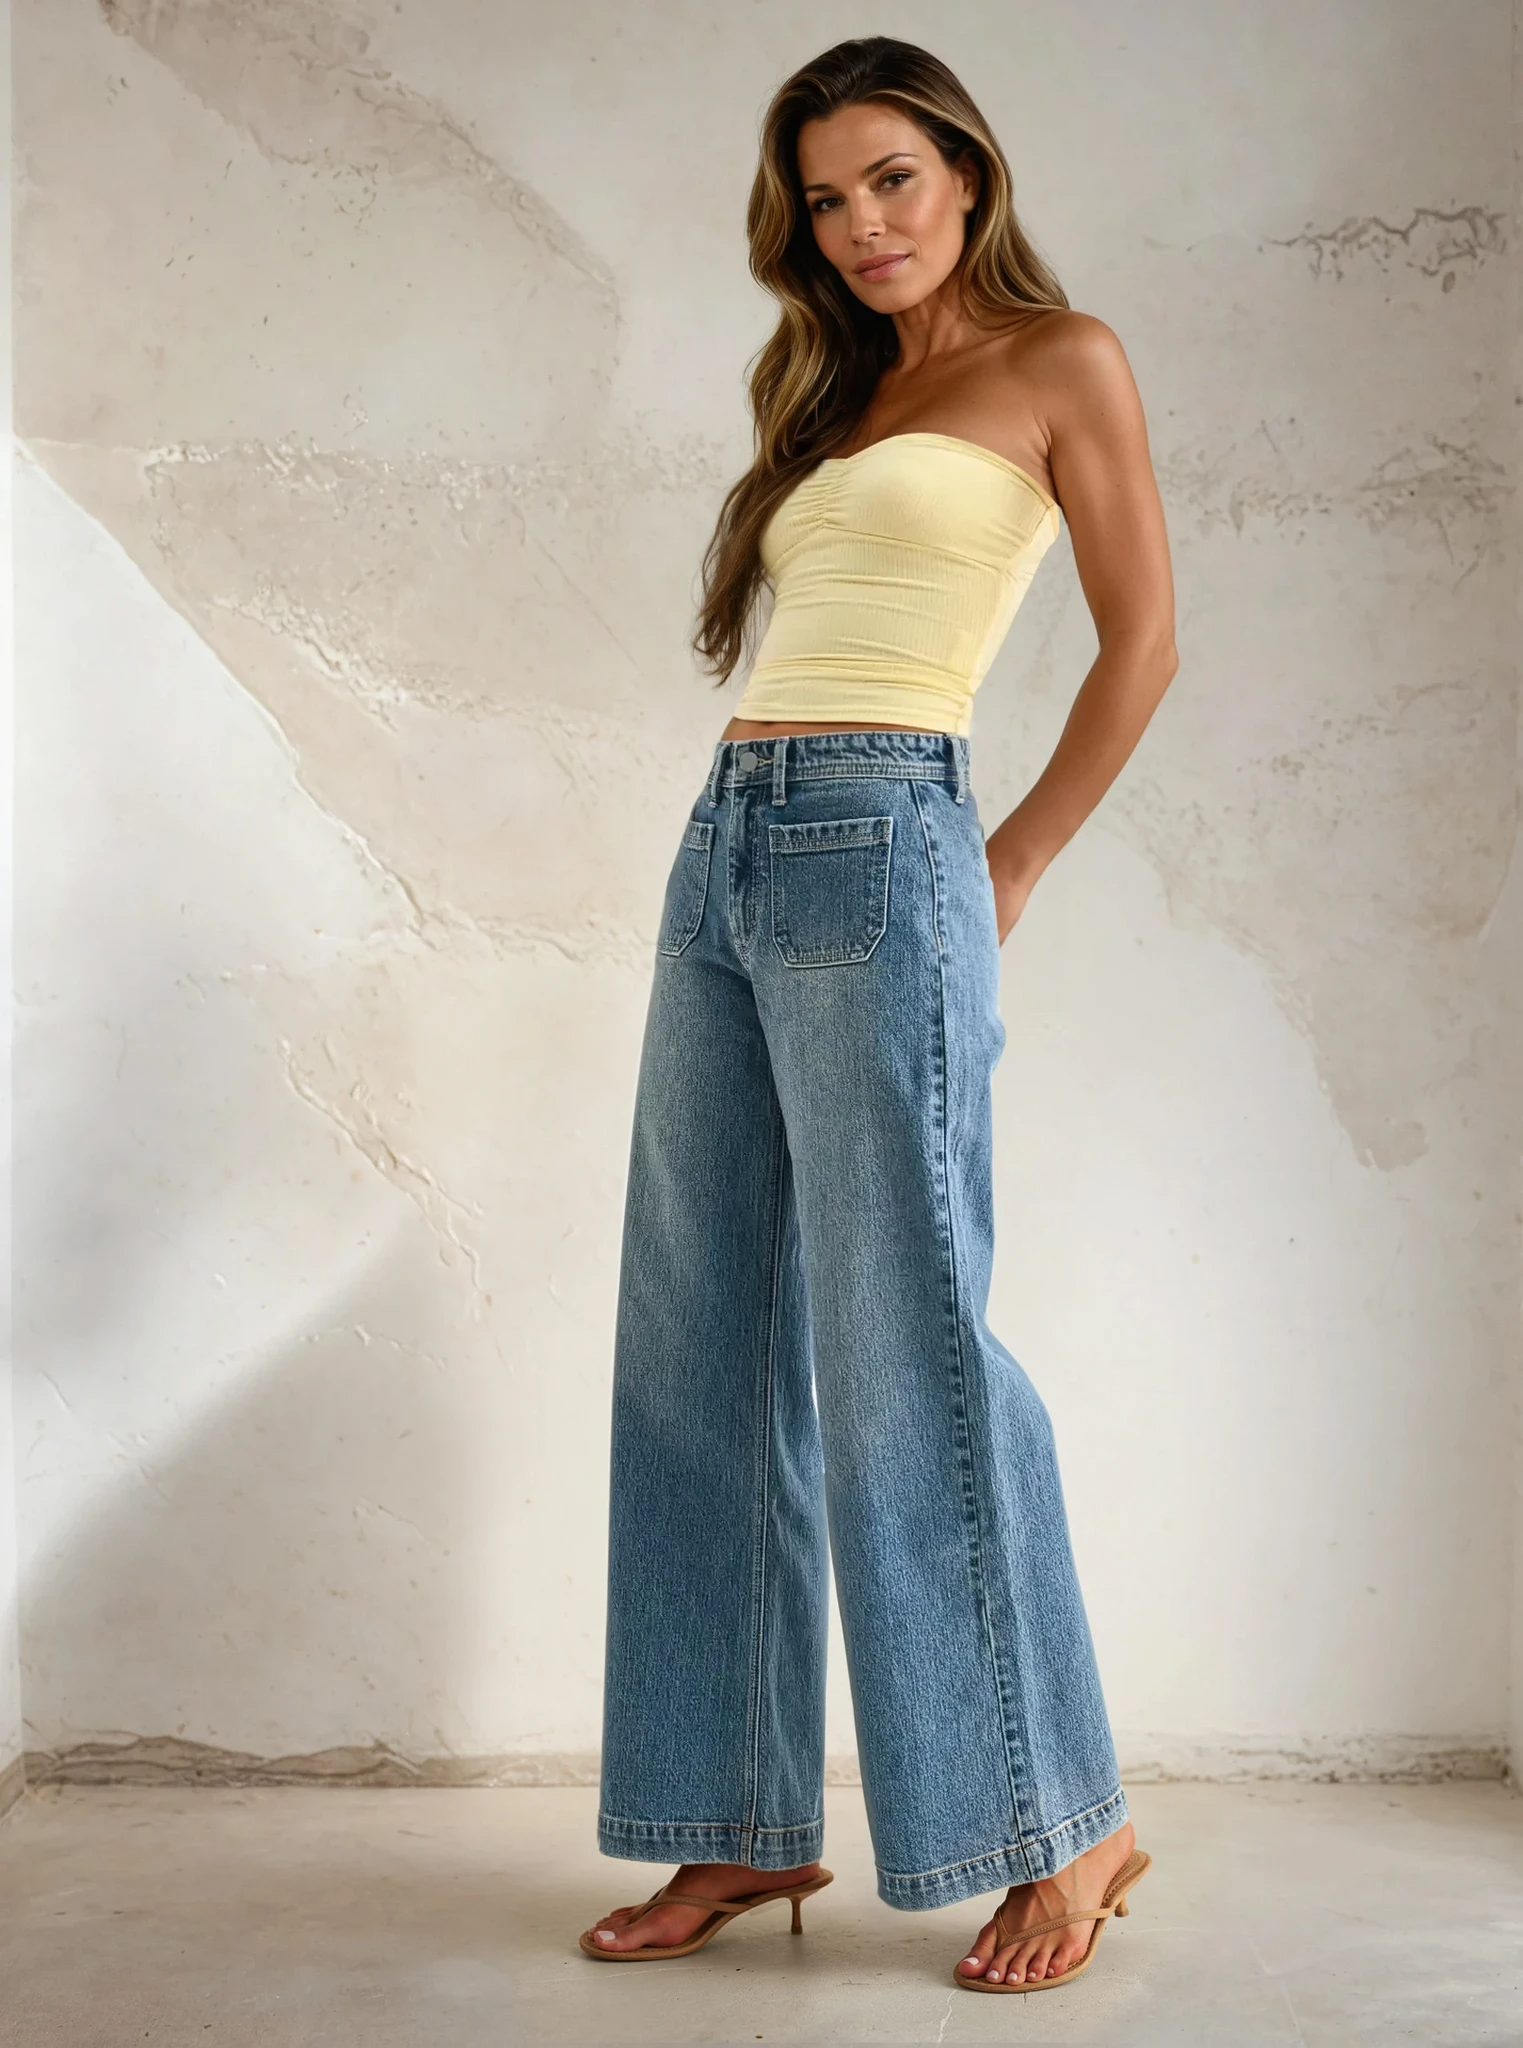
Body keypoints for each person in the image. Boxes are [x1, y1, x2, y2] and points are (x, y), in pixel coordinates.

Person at [579, 35, 1177, 1995]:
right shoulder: (840, 398)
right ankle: (736, 1823)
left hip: (884, 842)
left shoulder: (1058, 360)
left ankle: (1057, 1825)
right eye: (827, 202)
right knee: (698, 1336)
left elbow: (1141, 641)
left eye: (888, 182)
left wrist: (1005, 862)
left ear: (965, 170)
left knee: (905, 1345)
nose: (860, 227)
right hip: (727, 848)